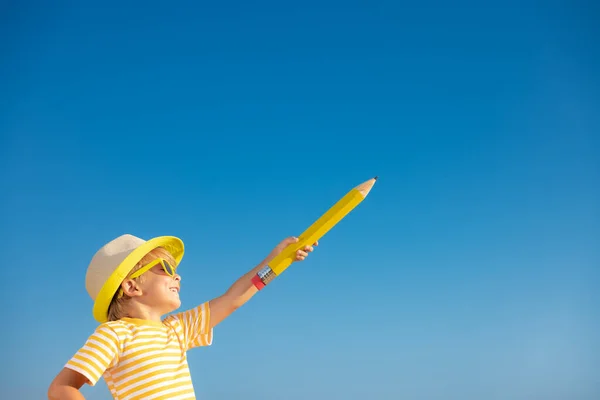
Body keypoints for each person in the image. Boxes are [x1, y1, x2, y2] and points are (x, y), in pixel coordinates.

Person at [48, 233, 316, 400]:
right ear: (131, 287)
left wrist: (276, 261)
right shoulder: (114, 334)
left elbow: (233, 298)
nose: (177, 275)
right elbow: (61, 388)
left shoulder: (177, 329)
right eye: (165, 268)